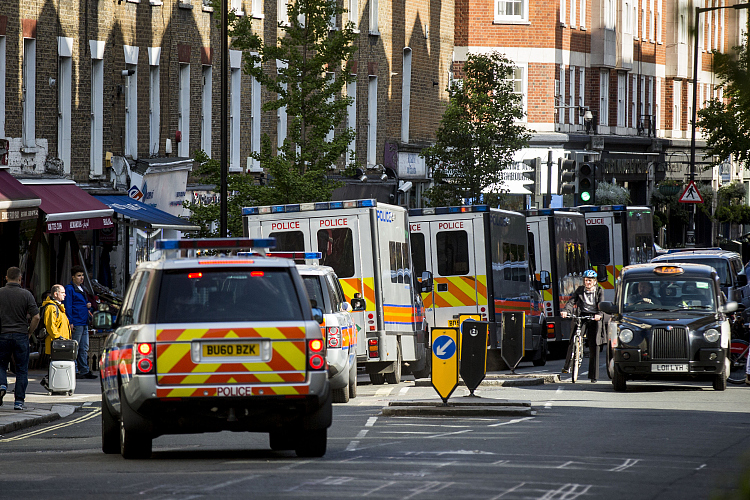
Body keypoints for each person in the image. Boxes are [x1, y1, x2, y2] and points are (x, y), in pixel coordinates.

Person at [0, 267, 40, 410]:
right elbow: (36, 316)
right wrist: (30, 332)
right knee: (22, 370)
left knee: (1, 365)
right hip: (21, 335)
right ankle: (19, 402)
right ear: (20, 279)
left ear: (6, 278)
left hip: (2, 335)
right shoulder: (26, 294)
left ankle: (2, 385)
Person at [560, 269, 605, 383]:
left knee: (594, 345)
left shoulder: (599, 290)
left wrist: (599, 315)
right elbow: (571, 302)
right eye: (585, 280)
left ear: (594, 281)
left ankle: (593, 376)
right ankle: (567, 366)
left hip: (594, 317)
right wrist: (566, 310)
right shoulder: (580, 290)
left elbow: (601, 304)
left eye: (589, 280)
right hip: (582, 315)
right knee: (573, 338)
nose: (587, 283)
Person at [64, 265, 96, 379]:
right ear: (73, 277)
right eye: (79, 276)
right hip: (76, 322)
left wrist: (87, 306)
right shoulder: (69, 289)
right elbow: (68, 306)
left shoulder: (83, 288)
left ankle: (84, 370)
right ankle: (75, 370)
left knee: (84, 347)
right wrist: (70, 322)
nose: (81, 278)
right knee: (75, 347)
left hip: (84, 321)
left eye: (82, 275)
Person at [40, 285, 72, 390]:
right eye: (62, 292)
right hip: (55, 343)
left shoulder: (58, 306)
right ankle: (49, 383)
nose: (65, 294)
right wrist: (59, 337)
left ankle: (55, 385)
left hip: (61, 343)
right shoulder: (51, 307)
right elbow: (50, 326)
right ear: (55, 294)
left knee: (58, 366)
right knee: (54, 366)